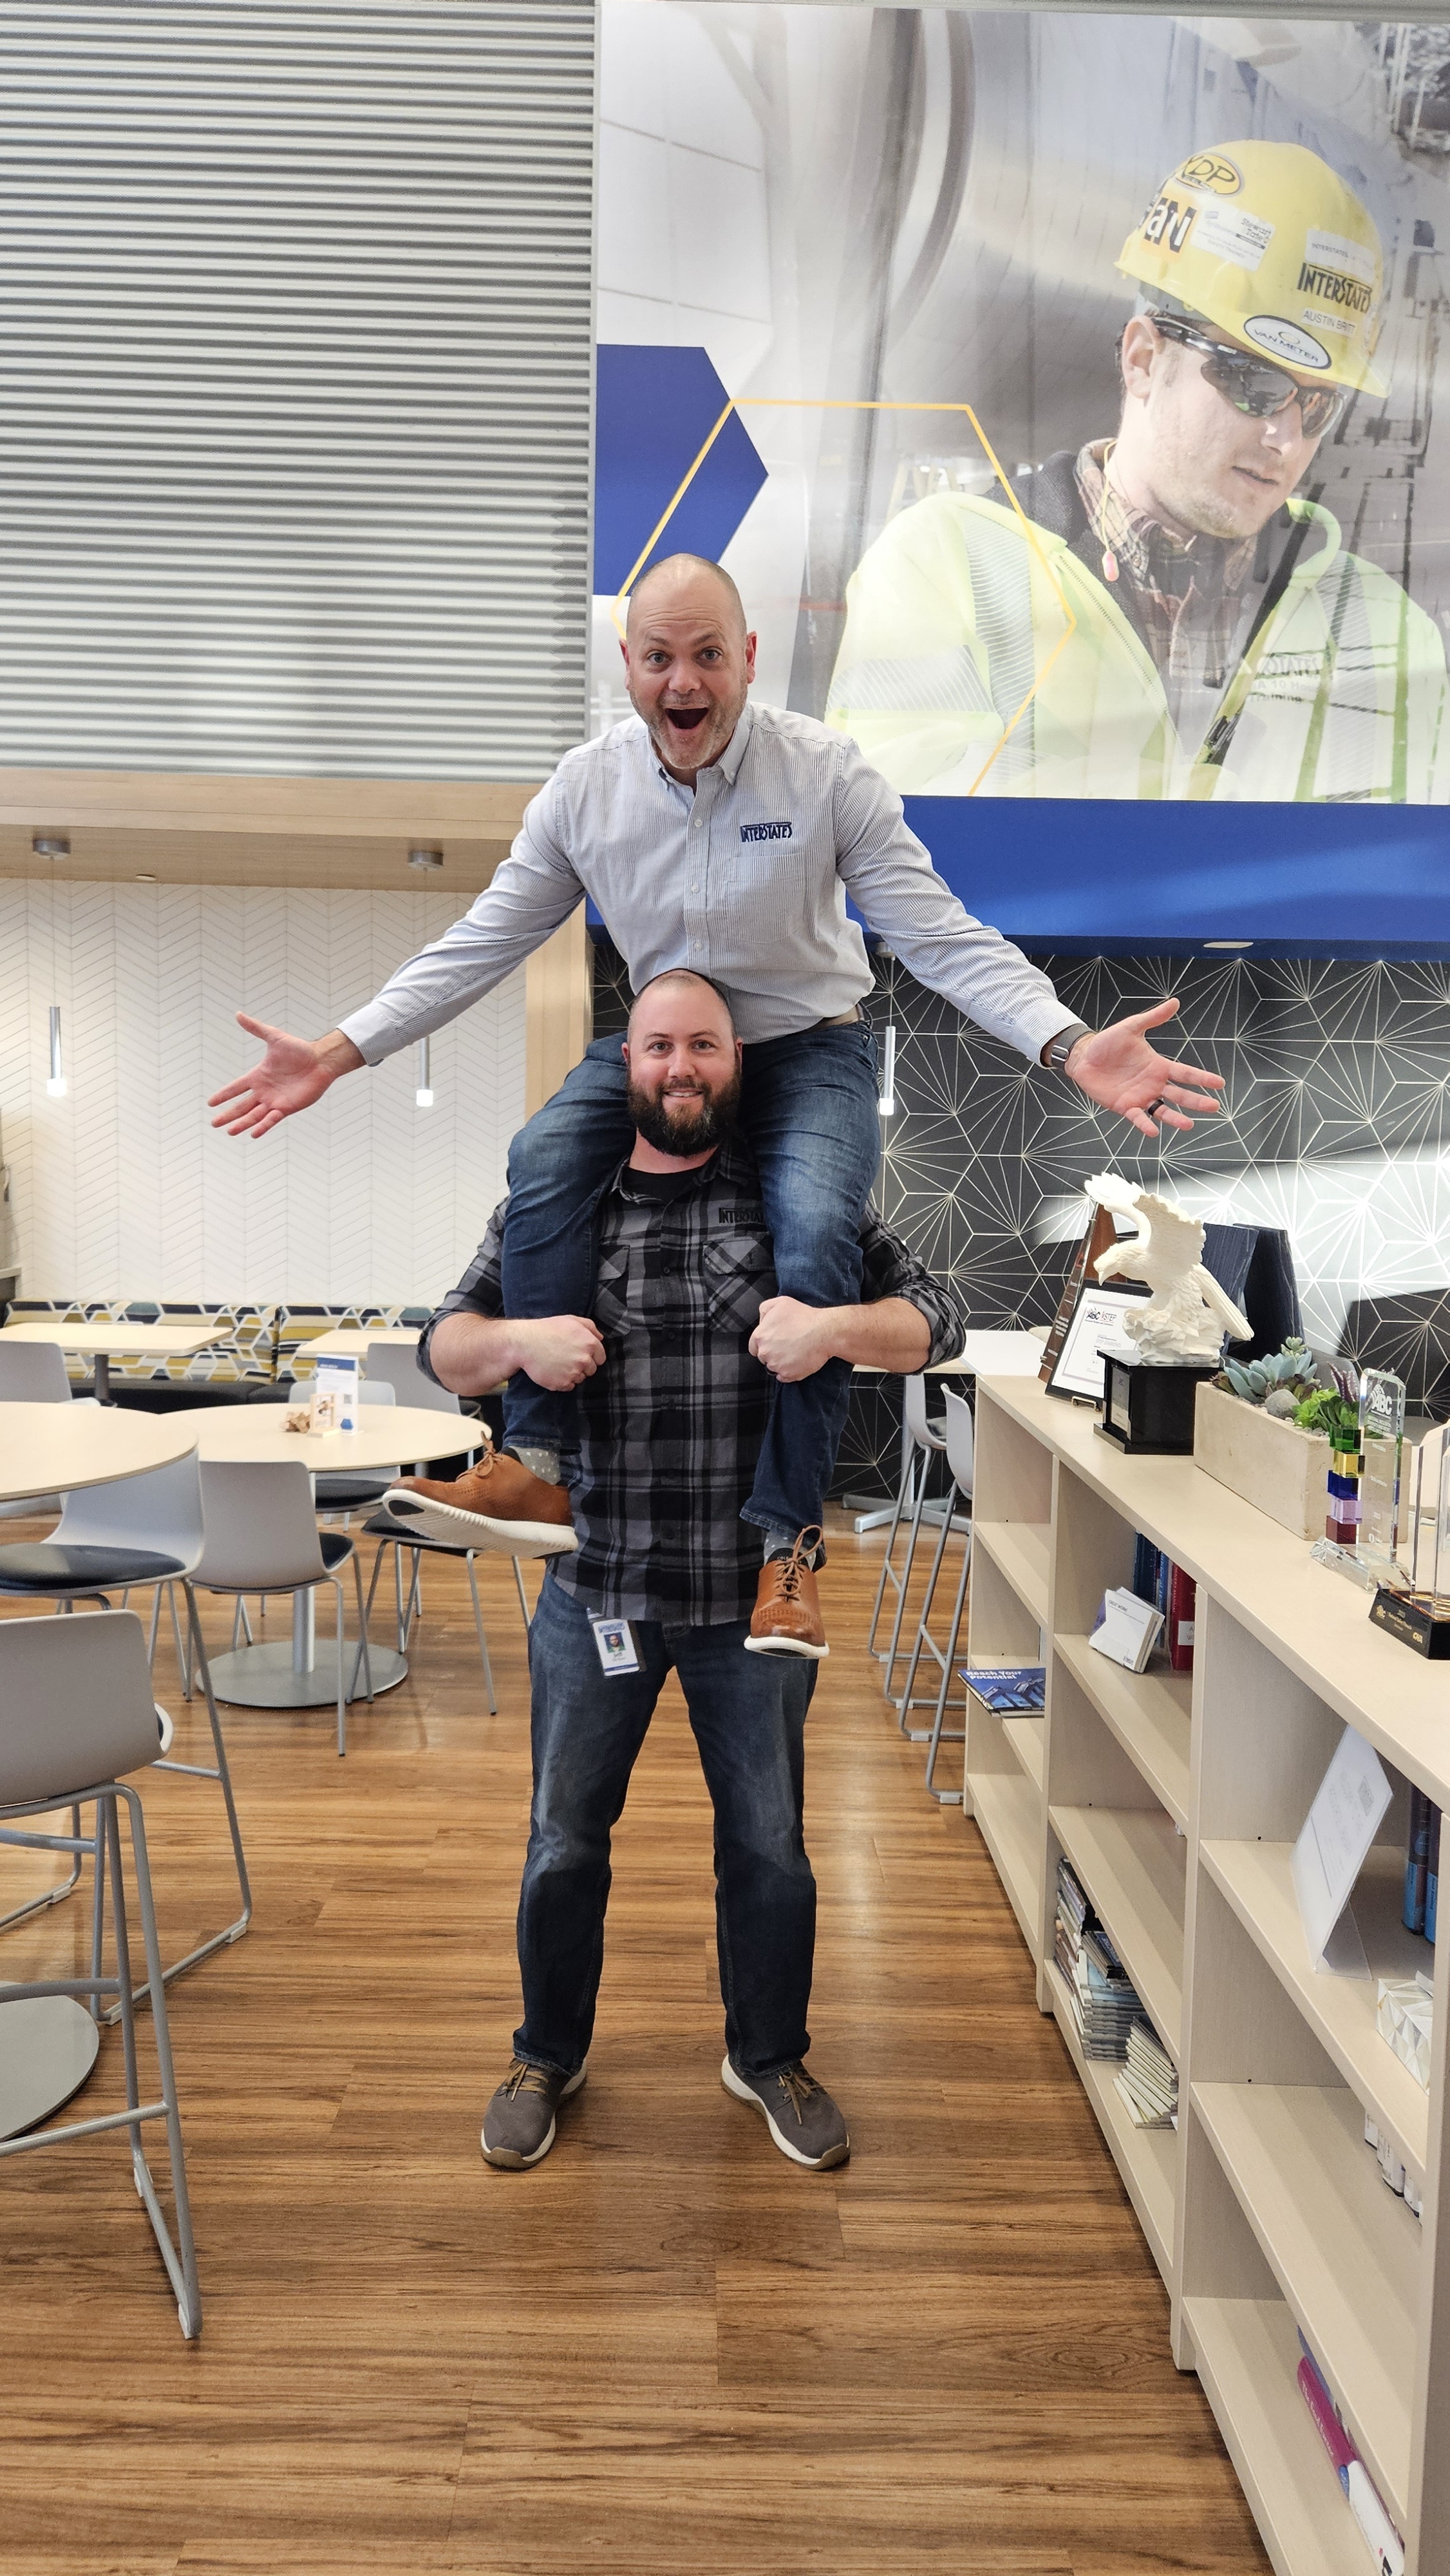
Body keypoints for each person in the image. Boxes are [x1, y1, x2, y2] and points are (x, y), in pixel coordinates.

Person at [209, 554, 1223, 1640]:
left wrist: (1067, 1045)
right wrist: (337, 1050)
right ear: (628, 667)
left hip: (806, 1047)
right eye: (658, 658)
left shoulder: (826, 773)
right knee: (543, 1157)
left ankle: (786, 1543)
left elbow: (938, 936)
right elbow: (481, 941)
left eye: (705, 656)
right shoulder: (583, 790)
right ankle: (541, 1459)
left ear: (746, 660)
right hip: (667, 1044)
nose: (682, 681)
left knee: (814, 1228)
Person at [397, 969, 966, 2171]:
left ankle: (767, 2054)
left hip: (754, 1596)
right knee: (563, 1840)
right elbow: (441, 1344)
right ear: (628, 1062)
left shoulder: (798, 1201)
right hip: (594, 1587)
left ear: (737, 1062)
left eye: (703, 1045)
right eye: (658, 1045)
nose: (680, 1068)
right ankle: (545, 2051)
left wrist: (830, 1329)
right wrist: (513, 1343)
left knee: (766, 1844)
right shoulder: (557, 1206)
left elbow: (936, 1319)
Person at [826, 140, 1450, 803]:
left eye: (1318, 403)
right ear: (1142, 359)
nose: (1284, 436)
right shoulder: (946, 564)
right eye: (1255, 384)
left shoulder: (1383, 626)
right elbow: (892, 839)